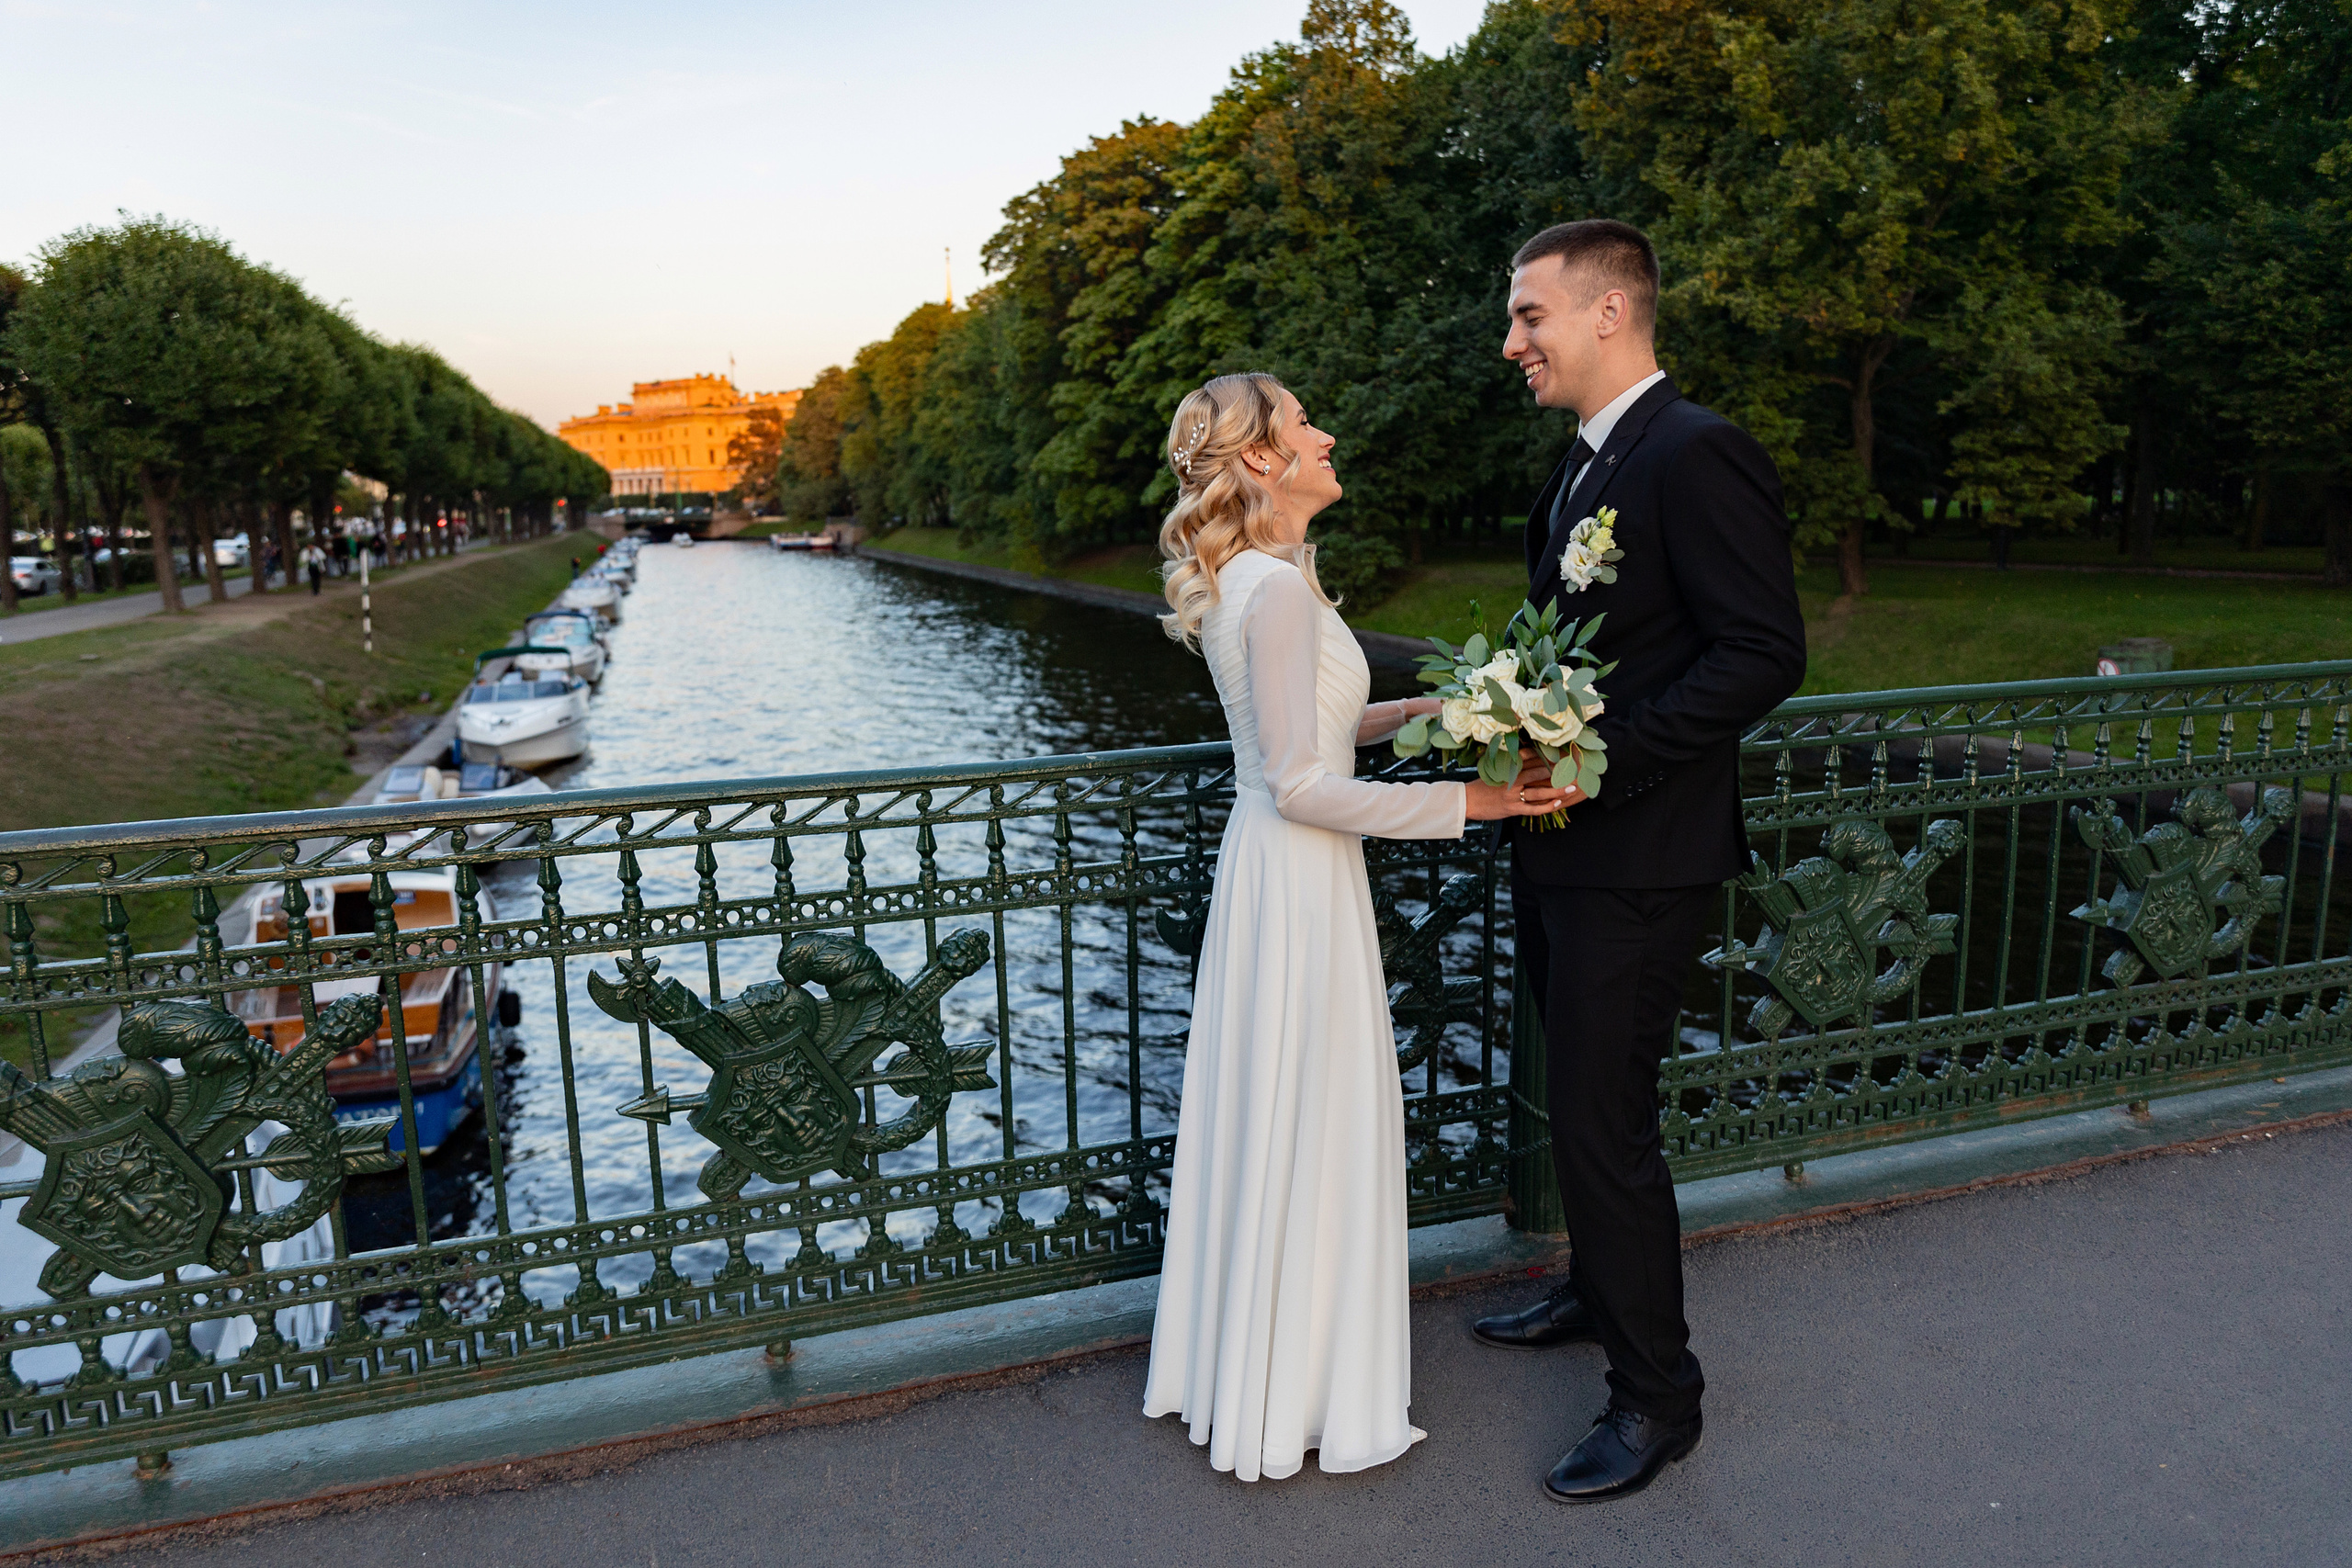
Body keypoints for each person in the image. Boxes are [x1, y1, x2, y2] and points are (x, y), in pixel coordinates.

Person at [1141, 372, 1566, 1482]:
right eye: (1301, 425)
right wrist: (1471, 802)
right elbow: (1300, 785)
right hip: (1297, 867)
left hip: (1277, 874)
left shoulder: (1264, 578)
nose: (1328, 435)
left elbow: (1313, 734)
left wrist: (1422, 711)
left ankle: (1268, 1370)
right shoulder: (1274, 593)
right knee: (1313, 1111)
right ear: (1265, 461)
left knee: (1284, 1111)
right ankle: (1304, 1387)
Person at [1473, 220, 1806, 1503]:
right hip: (1565, 850)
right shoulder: (1583, 465)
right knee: (1581, 1104)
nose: (1515, 343)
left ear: (1610, 312)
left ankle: (1658, 1396)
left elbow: (1762, 653)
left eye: (1530, 317)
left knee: (1606, 1123)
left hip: (1640, 854)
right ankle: (1592, 1283)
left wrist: (1603, 756)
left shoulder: (1696, 448)